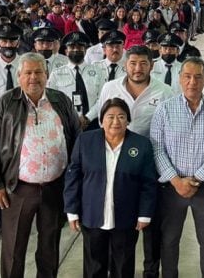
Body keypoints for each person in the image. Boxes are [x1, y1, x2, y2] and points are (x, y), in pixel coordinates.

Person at [0, 52, 81, 278]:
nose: (33, 77)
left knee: (49, 246)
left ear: (47, 75)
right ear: (19, 76)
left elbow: (76, 137)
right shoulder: (6, 103)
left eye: (38, 72)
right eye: (28, 73)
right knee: (14, 248)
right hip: (19, 188)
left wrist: (73, 182)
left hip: (55, 186)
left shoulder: (60, 101)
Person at [97, 45, 173, 277]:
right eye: (133, 63)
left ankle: (151, 270)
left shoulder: (165, 92)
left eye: (143, 63)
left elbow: (170, 131)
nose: (138, 68)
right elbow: (102, 124)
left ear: (152, 65)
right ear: (125, 64)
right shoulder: (110, 88)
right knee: (118, 223)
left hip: (152, 166)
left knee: (151, 224)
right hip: (117, 166)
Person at [150, 57, 204, 278]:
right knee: (169, 240)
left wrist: (196, 179)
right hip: (172, 188)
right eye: (187, 76)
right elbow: (157, 148)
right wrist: (176, 181)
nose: (192, 82)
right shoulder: (165, 109)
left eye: (198, 77)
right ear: (180, 79)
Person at [64, 98, 158, 278]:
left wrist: (144, 214)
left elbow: (148, 183)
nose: (116, 121)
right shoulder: (85, 141)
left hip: (127, 216)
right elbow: (73, 176)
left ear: (128, 120)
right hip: (92, 214)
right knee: (94, 265)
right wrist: (72, 210)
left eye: (121, 116)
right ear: (101, 120)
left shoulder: (141, 144)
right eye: (110, 117)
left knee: (123, 265)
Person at [48, 31, 105, 130]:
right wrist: (69, 119)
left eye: (80, 47)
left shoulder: (98, 71)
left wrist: (87, 118)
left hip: (93, 123)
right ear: (66, 51)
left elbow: (102, 98)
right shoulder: (56, 74)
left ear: (85, 50)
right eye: (72, 47)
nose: (76, 50)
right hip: (66, 124)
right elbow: (51, 101)